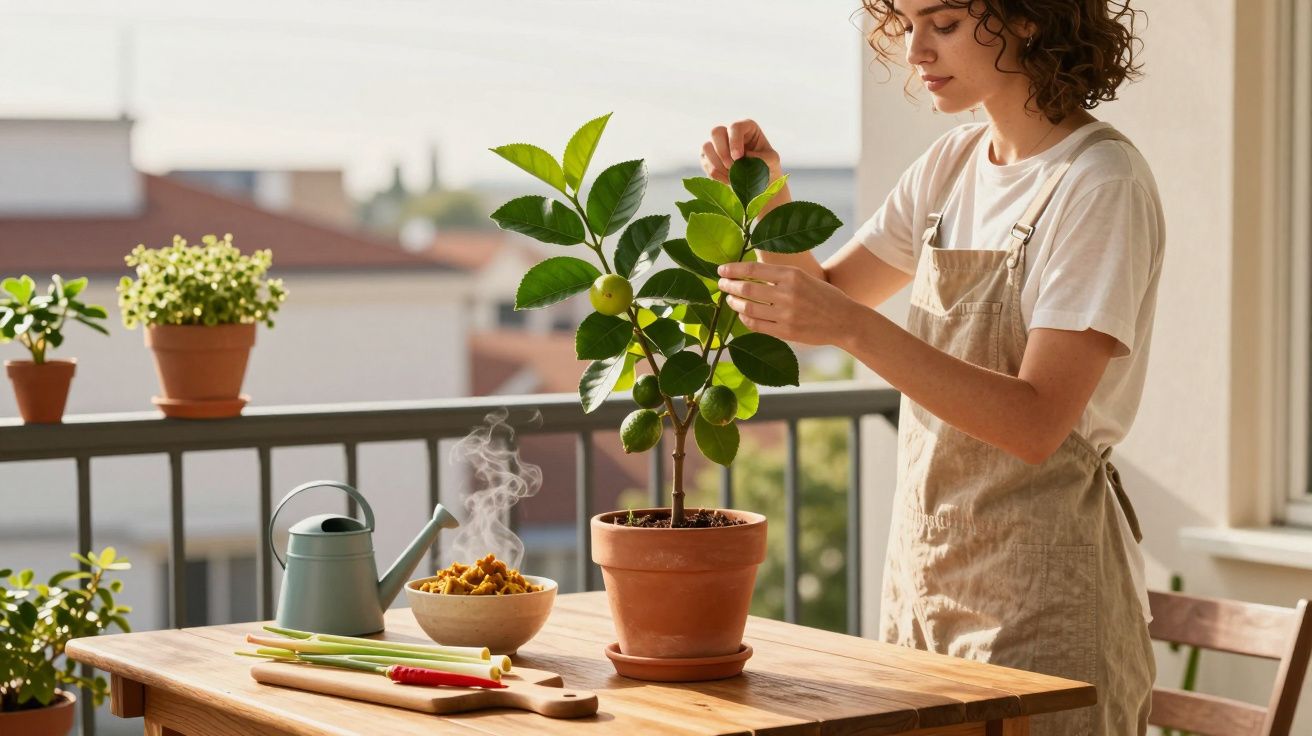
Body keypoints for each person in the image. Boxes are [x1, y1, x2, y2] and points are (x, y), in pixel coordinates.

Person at [702, 1, 1162, 734]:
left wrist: (850, 327)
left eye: (943, 23)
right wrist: (767, 196)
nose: (915, 51)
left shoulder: (1099, 183)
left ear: (1028, 18)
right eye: (907, 24)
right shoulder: (951, 165)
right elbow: (828, 296)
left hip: (1047, 604)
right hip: (925, 586)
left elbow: (1037, 421)